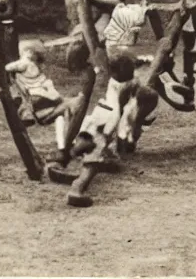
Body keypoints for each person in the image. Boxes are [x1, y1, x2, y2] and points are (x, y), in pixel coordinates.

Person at [66, 52, 159, 207]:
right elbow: (126, 113)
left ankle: (69, 157)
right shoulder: (131, 84)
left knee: (88, 142)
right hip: (108, 120)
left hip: (98, 115)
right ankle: (77, 188)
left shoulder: (110, 80)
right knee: (93, 160)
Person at [5, 39, 85, 165]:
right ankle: (71, 144)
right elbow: (9, 67)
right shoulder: (27, 65)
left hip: (43, 105)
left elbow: (11, 67)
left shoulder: (29, 68)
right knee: (75, 104)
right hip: (40, 105)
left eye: (26, 52)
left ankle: (63, 147)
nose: (24, 54)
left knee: (62, 116)